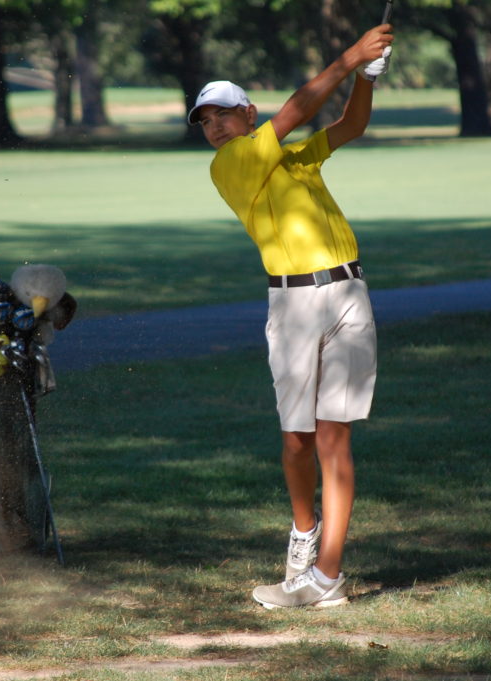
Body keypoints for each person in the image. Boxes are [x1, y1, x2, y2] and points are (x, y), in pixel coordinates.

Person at [188, 22, 394, 608]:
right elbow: (299, 108)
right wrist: (350, 56)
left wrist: (366, 78)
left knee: (334, 438)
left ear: (245, 111)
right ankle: (304, 531)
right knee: (298, 442)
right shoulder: (230, 166)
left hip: (349, 295)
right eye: (205, 120)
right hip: (293, 305)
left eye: (223, 113)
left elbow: (349, 126)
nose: (215, 126)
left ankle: (326, 579)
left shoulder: (292, 156)